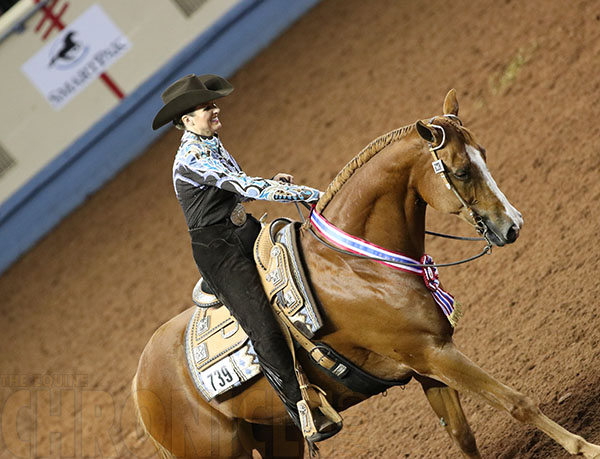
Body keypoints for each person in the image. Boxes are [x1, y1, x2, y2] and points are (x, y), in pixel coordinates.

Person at [152, 74, 336, 442]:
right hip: (219, 252)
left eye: (213, 104)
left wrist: (274, 184)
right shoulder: (190, 157)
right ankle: (300, 408)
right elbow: (241, 185)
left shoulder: (211, 143)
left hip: (241, 229)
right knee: (260, 321)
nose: (216, 109)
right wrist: (310, 193)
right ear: (187, 120)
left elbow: (233, 189)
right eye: (208, 107)